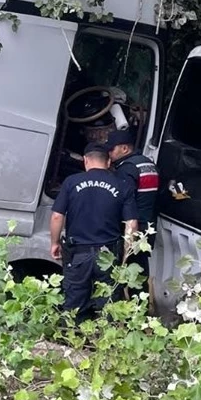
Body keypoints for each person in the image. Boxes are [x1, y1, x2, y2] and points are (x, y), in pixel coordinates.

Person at [50, 142, 138, 322]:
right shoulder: (123, 185)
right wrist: (125, 255)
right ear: (108, 162)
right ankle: (106, 343)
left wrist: (55, 242)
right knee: (109, 303)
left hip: (78, 253)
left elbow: (57, 217)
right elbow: (132, 224)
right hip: (108, 254)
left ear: (85, 161)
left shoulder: (71, 182)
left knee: (74, 303)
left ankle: (71, 342)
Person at [105, 129, 160, 294]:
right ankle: (140, 309)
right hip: (148, 226)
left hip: (132, 227)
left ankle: (122, 310)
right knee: (140, 271)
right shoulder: (147, 163)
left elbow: (123, 199)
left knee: (122, 271)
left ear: (124, 148)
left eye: (111, 149)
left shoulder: (126, 168)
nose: (109, 153)